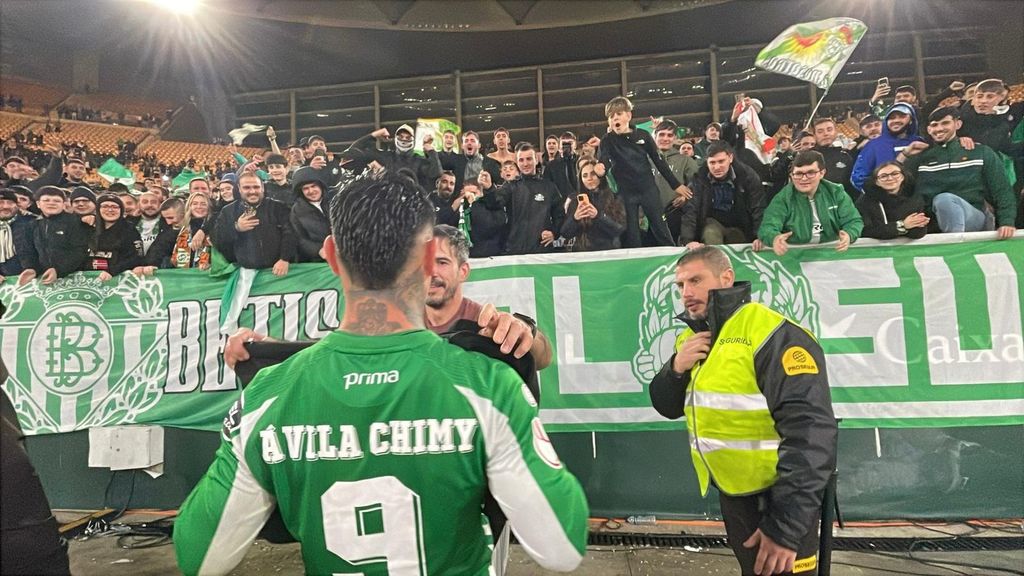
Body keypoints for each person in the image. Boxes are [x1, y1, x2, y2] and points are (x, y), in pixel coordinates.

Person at [176, 172, 587, 575]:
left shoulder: (267, 397)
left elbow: (199, 557)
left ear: (330, 254)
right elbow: (562, 549)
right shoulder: (489, 386)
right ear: (428, 257)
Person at [648, 246, 836, 576]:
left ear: (726, 278)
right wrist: (675, 368)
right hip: (735, 496)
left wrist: (786, 528)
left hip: (779, 499)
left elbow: (811, 433)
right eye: (680, 285)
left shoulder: (771, 333)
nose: (686, 293)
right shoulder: (693, 338)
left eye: (695, 280)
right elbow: (667, 406)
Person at [899, 107, 1017, 238]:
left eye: (945, 123)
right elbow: (892, 181)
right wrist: (904, 154)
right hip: (931, 221)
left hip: (973, 217)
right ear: (928, 129)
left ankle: (954, 245)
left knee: (944, 200)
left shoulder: (980, 152)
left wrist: (1007, 221)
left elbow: (1001, 189)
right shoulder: (920, 157)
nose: (939, 128)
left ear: (958, 124)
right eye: (934, 125)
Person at [591, 96, 690, 247]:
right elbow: (604, 160)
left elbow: (659, 161)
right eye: (611, 116)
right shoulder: (607, 140)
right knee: (632, 235)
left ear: (628, 115)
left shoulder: (643, 136)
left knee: (660, 228)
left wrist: (676, 185)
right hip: (626, 194)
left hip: (648, 190)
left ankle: (672, 255)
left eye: (618, 114)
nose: (615, 118)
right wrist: (600, 169)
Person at [758, 150, 864, 256]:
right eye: (798, 174)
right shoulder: (783, 198)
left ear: (822, 173)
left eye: (810, 173)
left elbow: (854, 221)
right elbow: (767, 227)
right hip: (795, 256)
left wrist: (849, 234)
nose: (804, 178)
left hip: (833, 254)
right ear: (791, 175)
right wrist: (774, 238)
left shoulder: (836, 192)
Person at [477, 144, 563, 255]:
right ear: (517, 162)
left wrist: (554, 232)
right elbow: (494, 204)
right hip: (514, 251)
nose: (525, 164)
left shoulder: (549, 187)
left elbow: (560, 215)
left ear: (536, 160)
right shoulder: (510, 186)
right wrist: (489, 188)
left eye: (529, 159)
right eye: (521, 160)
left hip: (542, 251)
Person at [678, 142, 764, 248]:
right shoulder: (699, 179)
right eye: (712, 163)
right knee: (711, 234)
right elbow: (691, 210)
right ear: (707, 161)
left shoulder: (747, 176)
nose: (717, 167)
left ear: (730, 158)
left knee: (738, 241)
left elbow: (758, 207)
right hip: (711, 222)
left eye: (721, 161)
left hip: (740, 225)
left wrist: (760, 236)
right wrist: (688, 240)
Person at [213, 172, 296, 274]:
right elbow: (218, 240)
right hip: (245, 272)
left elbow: (290, 233)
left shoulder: (278, 207)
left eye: (256, 187)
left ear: (262, 188)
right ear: (239, 189)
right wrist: (236, 228)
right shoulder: (228, 211)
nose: (252, 191)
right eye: (246, 187)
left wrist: (284, 258)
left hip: (278, 269)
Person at [17, 186, 92, 285]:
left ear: (64, 204)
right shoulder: (32, 225)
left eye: (56, 201)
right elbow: (27, 251)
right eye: (46, 200)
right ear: (38, 204)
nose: (51, 203)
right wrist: (31, 268)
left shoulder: (75, 222)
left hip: (74, 278)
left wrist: (58, 269)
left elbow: (80, 251)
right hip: (45, 278)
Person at [850, 103, 922, 191]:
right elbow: (858, 178)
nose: (896, 120)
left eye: (902, 116)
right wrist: (881, 194)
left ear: (911, 119)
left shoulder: (920, 142)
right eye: (892, 118)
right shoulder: (874, 145)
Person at [561, 159, 626, 252]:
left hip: (609, 252)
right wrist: (574, 219)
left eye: (593, 174)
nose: (589, 178)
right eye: (585, 176)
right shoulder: (575, 201)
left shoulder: (614, 198)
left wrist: (598, 216)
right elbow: (565, 233)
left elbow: (619, 229)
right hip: (583, 253)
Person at [855, 161, 929, 240]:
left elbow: (917, 233)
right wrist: (902, 225)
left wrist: (919, 225)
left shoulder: (914, 197)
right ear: (877, 182)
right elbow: (864, 231)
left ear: (902, 177)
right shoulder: (864, 202)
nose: (890, 178)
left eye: (895, 174)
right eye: (883, 176)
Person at [653, 120, 699, 243]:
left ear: (675, 138)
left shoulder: (686, 161)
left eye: (669, 135)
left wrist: (685, 197)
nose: (665, 138)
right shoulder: (644, 159)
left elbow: (698, 184)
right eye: (661, 134)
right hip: (648, 216)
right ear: (655, 136)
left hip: (674, 215)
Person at [85, 194, 143, 281]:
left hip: (118, 279)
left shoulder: (130, 230)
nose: (110, 210)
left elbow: (137, 257)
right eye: (105, 206)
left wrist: (112, 271)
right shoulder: (88, 228)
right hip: (89, 278)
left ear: (121, 210)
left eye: (114, 207)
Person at [289, 166, 334, 262]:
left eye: (313, 186)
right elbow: (299, 238)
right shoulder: (297, 210)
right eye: (305, 188)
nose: (311, 191)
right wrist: (318, 250)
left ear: (320, 186)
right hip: (318, 260)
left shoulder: (334, 201)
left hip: (344, 253)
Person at [170, 192, 213, 269]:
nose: (199, 207)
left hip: (207, 272)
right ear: (189, 206)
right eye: (195, 204)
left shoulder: (215, 226)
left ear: (209, 207)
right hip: (185, 273)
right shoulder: (181, 227)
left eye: (203, 204)